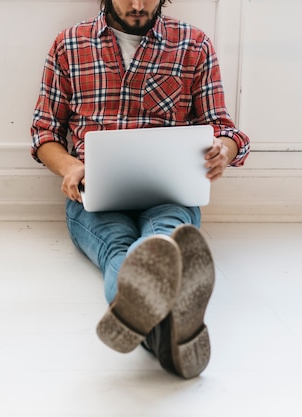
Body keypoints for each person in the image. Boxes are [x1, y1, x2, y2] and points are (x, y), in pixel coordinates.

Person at [30, 0, 250, 379]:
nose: (136, 5)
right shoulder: (69, 44)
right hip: (93, 192)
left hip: (170, 191)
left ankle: (156, 332)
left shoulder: (193, 45)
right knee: (119, 247)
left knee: (161, 243)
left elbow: (225, 129)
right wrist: (70, 167)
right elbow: (43, 132)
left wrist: (223, 152)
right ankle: (171, 329)